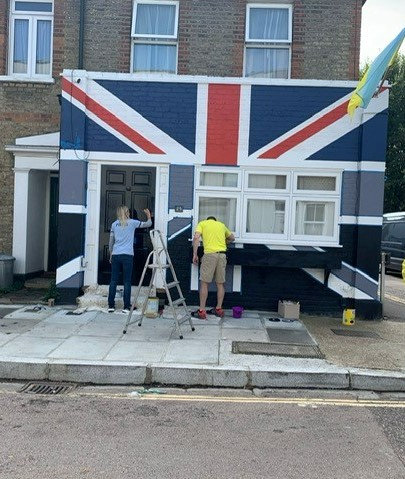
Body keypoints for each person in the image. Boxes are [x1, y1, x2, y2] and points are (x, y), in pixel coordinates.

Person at [108, 206, 152, 313]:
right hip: (127, 255)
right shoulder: (132, 222)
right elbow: (148, 224)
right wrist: (148, 216)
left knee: (113, 280)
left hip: (116, 255)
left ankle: (111, 306)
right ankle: (126, 307)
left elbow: (111, 242)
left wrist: (111, 254)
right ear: (127, 213)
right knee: (127, 281)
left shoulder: (114, 224)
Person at [192, 216, 235, 319]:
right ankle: (219, 309)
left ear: (208, 220)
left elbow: (197, 237)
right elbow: (232, 238)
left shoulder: (202, 223)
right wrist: (224, 243)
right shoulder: (221, 225)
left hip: (209, 255)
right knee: (220, 284)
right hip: (222, 255)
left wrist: (195, 254)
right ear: (215, 220)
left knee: (204, 283)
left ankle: (202, 311)